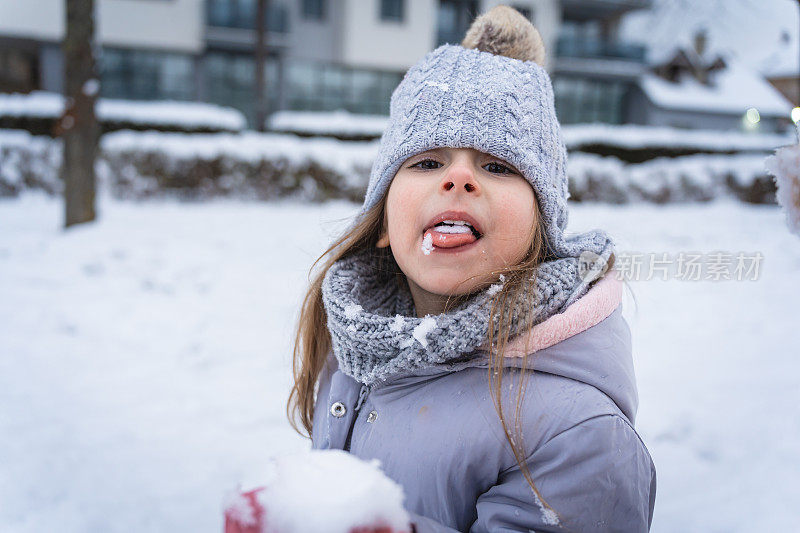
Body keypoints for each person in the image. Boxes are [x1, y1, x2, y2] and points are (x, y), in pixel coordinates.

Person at [287, 5, 656, 532]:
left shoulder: (577, 434)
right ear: (385, 223)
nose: (459, 179)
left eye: (497, 166)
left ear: (540, 231)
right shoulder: (351, 351)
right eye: (428, 162)